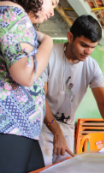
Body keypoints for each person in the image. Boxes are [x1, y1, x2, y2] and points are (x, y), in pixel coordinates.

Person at [39, 15, 104, 166]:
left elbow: (103, 102)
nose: (88, 51)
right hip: (43, 127)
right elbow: (40, 98)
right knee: (42, 168)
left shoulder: (92, 67)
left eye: (93, 47)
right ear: (70, 37)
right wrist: (56, 132)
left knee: (64, 170)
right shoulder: (49, 55)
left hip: (67, 129)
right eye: (83, 45)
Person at [0, 0, 58, 172]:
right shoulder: (14, 13)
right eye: (53, 3)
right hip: (11, 125)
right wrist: (48, 42)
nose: (53, 12)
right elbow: (26, 74)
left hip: (22, 127)